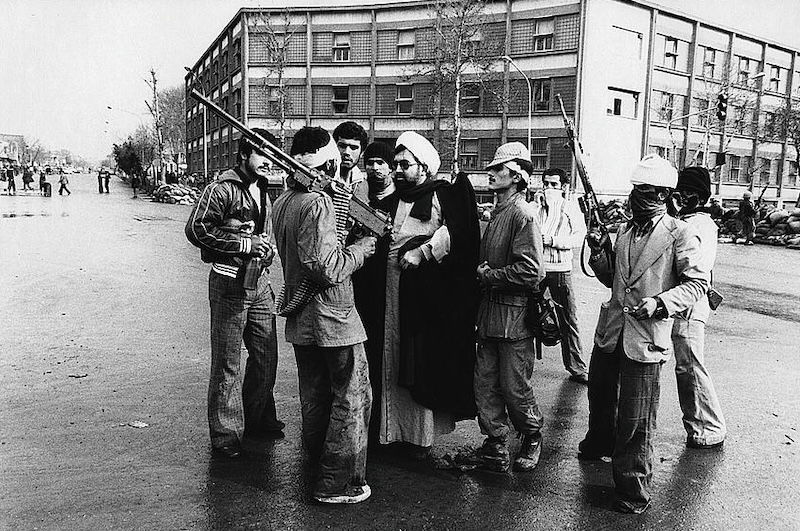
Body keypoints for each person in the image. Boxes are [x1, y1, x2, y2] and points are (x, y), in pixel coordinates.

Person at [578, 154, 709, 514]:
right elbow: (611, 280)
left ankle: (633, 490)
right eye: (636, 190)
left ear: (665, 195)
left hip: (647, 336)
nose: (637, 198)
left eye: (647, 192)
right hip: (612, 332)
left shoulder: (679, 233)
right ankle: (599, 446)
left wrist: (660, 303)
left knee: (636, 419)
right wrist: (598, 249)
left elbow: (697, 283)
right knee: (601, 400)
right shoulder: (623, 230)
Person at [272, 126, 376, 504]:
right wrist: (363, 248)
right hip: (333, 316)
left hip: (304, 319)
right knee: (353, 395)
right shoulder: (317, 202)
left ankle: (316, 467)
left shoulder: (284, 199)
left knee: (315, 395)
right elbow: (325, 267)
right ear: (329, 160)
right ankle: (336, 483)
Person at [360, 131, 480, 454]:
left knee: (418, 364)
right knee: (390, 360)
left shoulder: (441, 194)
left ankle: (417, 439)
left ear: (424, 167)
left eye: (404, 164)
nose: (396, 170)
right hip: (389, 296)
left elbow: (456, 234)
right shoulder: (396, 198)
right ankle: (391, 433)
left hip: (423, 302)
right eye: (395, 164)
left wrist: (423, 252)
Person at [185, 128, 285, 460]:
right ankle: (226, 433)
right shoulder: (222, 188)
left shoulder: (264, 188)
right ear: (243, 155)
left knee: (266, 355)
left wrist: (266, 250)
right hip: (229, 284)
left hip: (259, 283)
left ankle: (256, 417)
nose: (268, 162)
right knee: (228, 363)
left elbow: (265, 234)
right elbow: (196, 229)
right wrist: (243, 244)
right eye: (262, 155)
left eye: (272, 155)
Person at [472, 142, 546, 472]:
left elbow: (532, 271)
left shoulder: (522, 214)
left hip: (513, 318)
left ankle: (531, 436)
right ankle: (496, 441)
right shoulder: (499, 213)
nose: (491, 173)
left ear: (516, 176)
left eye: (498, 169)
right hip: (490, 316)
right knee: (485, 385)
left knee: (515, 387)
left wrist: (491, 277)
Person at [669, 167, 727, 449]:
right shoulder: (687, 221)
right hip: (684, 302)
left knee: (691, 366)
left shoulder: (700, 224)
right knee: (686, 366)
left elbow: (692, 270)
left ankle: (710, 425)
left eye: (685, 193)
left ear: (697, 197)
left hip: (691, 303)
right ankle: (698, 424)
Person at [351, 141, 397, 440]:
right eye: (370, 162)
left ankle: (383, 421)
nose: (375, 168)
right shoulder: (358, 194)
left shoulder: (401, 198)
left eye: (381, 162)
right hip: (360, 281)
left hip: (389, 284)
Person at [532, 167, 589, 384]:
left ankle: (577, 367)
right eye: (546, 183)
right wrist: (538, 206)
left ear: (563, 187)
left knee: (568, 318)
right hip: (537, 268)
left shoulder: (570, 207)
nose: (549, 188)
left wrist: (554, 241)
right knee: (528, 314)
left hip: (560, 268)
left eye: (554, 184)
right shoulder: (537, 206)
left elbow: (578, 237)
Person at [332, 121, 369, 201]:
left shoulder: (362, 184)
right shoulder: (324, 177)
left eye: (353, 148)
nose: (346, 152)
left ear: (362, 153)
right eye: (342, 146)